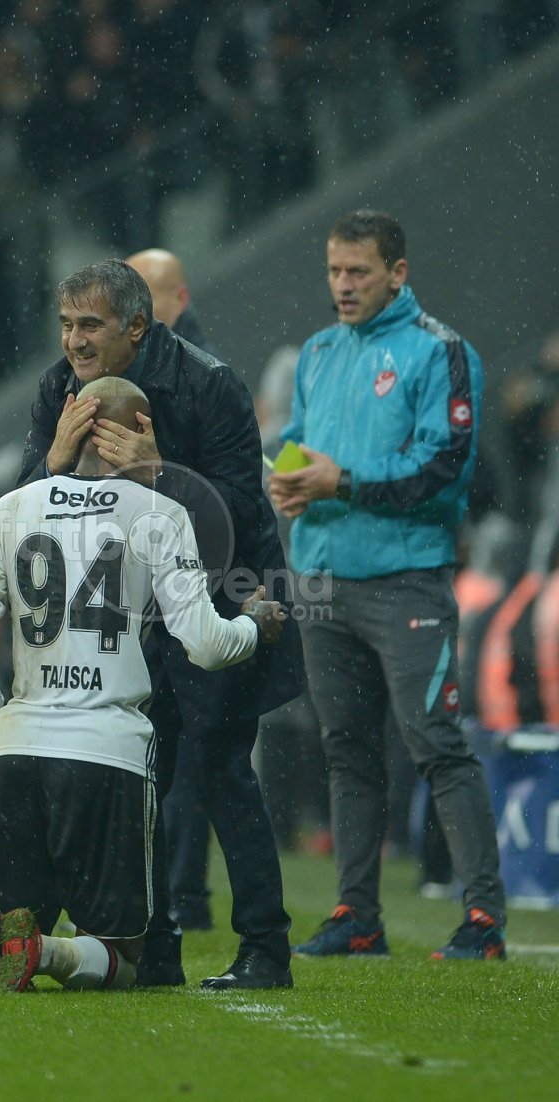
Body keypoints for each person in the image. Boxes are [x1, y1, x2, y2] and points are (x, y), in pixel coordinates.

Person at [0, 376, 287, 994]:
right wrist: (255, 627)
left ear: (71, 422)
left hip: (19, 749)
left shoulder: (9, 507)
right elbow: (204, 644)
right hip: (107, 751)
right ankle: (42, 951)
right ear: (144, 430)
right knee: (128, 958)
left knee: (8, 907)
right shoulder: (159, 514)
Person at [17, 258, 305, 990]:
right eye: (66, 324)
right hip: (136, 609)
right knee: (141, 775)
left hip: (228, 594)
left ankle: (265, 949)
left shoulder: (211, 385)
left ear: (137, 328)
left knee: (220, 773)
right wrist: (51, 461)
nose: (74, 342)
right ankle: (159, 949)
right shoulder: (59, 389)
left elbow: (243, 513)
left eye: (91, 325)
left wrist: (159, 473)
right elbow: (22, 512)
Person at [268, 209, 507, 960]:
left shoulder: (442, 352)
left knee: (435, 742)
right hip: (322, 580)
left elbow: (447, 471)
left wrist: (345, 483)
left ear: (397, 274)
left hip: (405, 580)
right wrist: (288, 482)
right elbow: (300, 445)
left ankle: (483, 920)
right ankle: (358, 915)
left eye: (358, 272)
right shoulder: (318, 352)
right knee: (345, 750)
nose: (342, 285)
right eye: (335, 271)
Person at [125, 247, 218, 930]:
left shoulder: (205, 379)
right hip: (128, 593)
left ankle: (181, 900)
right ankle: (156, 899)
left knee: (190, 756)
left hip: (189, 584)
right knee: (153, 751)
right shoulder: (108, 374)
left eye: (142, 298)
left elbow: (221, 497)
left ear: (177, 300)